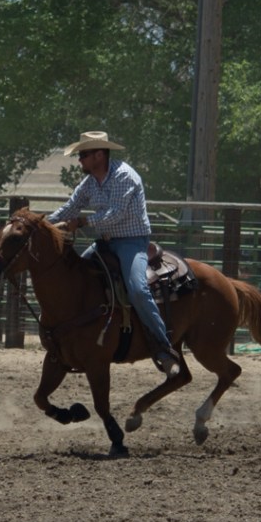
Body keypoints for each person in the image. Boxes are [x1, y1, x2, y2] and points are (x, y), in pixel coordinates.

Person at [46, 131, 180, 378]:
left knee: (138, 289)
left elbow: (114, 215)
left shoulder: (124, 177)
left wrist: (82, 222)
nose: (80, 160)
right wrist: (42, 224)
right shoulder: (90, 183)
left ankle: (164, 348)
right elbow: (70, 207)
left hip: (132, 243)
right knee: (75, 279)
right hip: (105, 244)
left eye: (84, 155)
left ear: (99, 154)